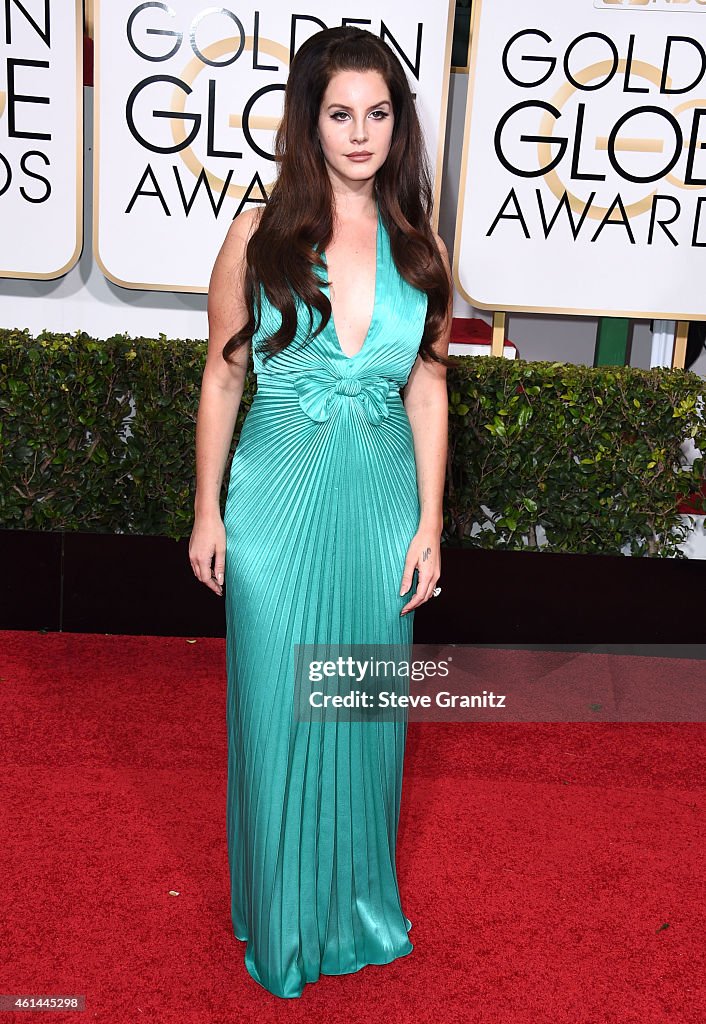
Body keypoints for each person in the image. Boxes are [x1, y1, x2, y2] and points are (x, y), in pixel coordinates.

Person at [189, 25, 453, 999]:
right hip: (273, 506)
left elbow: (427, 388)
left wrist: (429, 521)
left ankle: (352, 911)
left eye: (378, 113)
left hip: (380, 508)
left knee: (364, 723)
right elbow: (222, 379)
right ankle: (280, 920)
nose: (359, 133)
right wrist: (205, 513)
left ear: (399, 123)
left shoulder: (416, 241)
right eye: (339, 113)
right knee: (277, 715)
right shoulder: (257, 234)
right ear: (308, 120)